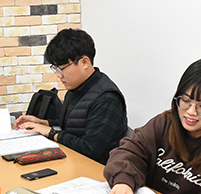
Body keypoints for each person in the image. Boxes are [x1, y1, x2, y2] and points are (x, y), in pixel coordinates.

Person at [104, 58, 201, 194]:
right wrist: (124, 181)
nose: (191, 112)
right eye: (185, 100)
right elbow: (130, 151)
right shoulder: (165, 123)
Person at [14, 28, 128, 165]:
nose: (58, 75)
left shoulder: (107, 98)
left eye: (61, 68)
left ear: (84, 62)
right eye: (55, 68)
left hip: (96, 169)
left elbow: (90, 149)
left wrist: (51, 132)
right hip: (72, 160)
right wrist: (42, 123)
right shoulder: (77, 88)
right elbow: (73, 126)